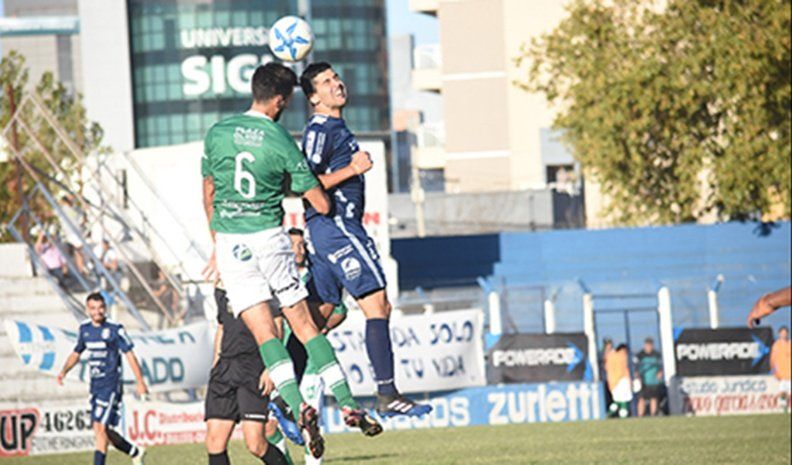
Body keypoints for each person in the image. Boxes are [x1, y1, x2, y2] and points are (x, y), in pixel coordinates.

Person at [201, 63, 376, 459]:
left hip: (231, 244)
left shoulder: (218, 133)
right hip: (268, 238)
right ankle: (348, 402)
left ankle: (298, 407)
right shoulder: (279, 139)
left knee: (266, 337)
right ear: (280, 101)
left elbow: (208, 194)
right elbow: (319, 202)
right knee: (304, 325)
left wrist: (217, 242)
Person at [299, 62, 432, 418]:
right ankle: (387, 393)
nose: (337, 84)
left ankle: (280, 390)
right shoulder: (321, 128)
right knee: (378, 306)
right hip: (337, 226)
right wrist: (353, 169)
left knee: (318, 319)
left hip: (328, 231)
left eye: (336, 77)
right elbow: (306, 182)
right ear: (314, 98)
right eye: (325, 82)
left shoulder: (336, 126)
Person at [205, 283, 293, 465]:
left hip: (254, 367)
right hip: (225, 368)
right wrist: (216, 365)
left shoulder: (259, 284)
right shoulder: (221, 287)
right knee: (214, 442)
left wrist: (271, 366)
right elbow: (222, 326)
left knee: (255, 444)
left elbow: (277, 325)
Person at [56, 292, 148, 465]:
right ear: (87, 309)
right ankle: (134, 451)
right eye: (93, 308)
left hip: (111, 385)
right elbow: (76, 353)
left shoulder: (115, 329)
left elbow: (130, 354)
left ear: (105, 308)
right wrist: (64, 371)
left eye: (100, 308)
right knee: (102, 430)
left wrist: (140, 381)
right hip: (95, 386)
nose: (97, 312)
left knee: (100, 428)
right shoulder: (85, 330)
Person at [634, 337, 663, 417]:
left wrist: (660, 372)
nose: (649, 347)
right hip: (643, 381)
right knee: (641, 398)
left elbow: (661, 366)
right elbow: (635, 367)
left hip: (653, 381)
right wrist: (637, 375)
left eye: (650, 345)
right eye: (647, 345)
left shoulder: (657, 355)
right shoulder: (640, 355)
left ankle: (653, 415)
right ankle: (640, 415)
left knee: (653, 398)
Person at [58, 194, 87, 275]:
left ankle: (80, 270)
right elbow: (62, 202)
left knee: (78, 251)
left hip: (76, 233)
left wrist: (81, 199)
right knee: (72, 251)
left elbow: (84, 216)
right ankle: (69, 270)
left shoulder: (77, 209)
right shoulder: (62, 209)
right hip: (68, 234)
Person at [606, 344, 632, 418]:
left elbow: (606, 367)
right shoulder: (622, 356)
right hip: (621, 380)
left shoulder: (610, 356)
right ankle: (622, 416)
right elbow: (625, 369)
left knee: (618, 400)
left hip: (612, 382)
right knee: (623, 400)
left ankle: (609, 414)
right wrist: (629, 380)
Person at [770, 326, 791, 412]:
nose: (784, 335)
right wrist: (774, 372)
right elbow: (772, 360)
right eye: (782, 333)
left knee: (787, 393)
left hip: (790, 372)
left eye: (785, 333)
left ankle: (779, 400)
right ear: (779, 334)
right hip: (781, 373)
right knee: (783, 391)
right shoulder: (776, 345)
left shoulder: (790, 344)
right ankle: (783, 406)